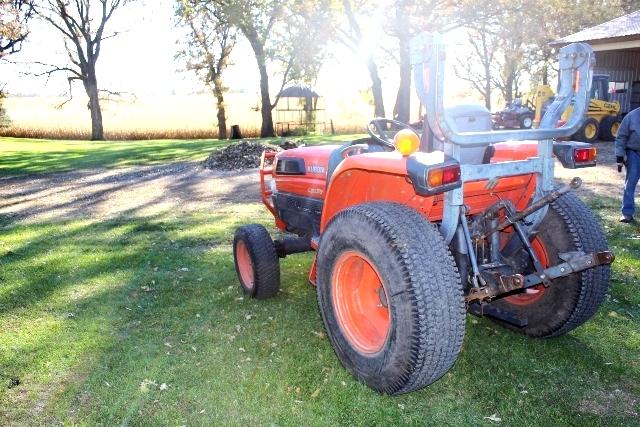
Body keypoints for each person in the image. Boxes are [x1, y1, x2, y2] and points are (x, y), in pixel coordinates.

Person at [615, 107, 640, 223]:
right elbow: (621, 137)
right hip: (634, 153)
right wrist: (620, 156)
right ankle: (627, 213)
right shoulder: (631, 116)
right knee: (630, 183)